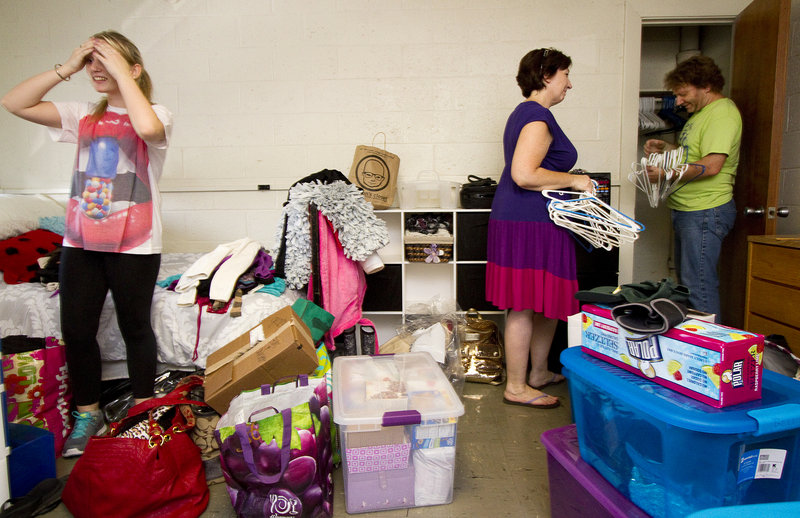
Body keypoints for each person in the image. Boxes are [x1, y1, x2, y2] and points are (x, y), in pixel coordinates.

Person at [1, 31, 173, 457]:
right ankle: (87, 413)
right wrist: (68, 66)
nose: (96, 68)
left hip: (135, 243)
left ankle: (142, 410)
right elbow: (14, 102)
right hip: (80, 242)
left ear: (132, 69)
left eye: (107, 61)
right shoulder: (81, 114)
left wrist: (120, 71)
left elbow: (148, 128)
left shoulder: (156, 112)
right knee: (77, 330)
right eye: (92, 62)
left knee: (136, 328)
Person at [486, 48, 593, 409]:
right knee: (524, 304)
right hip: (528, 221)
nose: (569, 83)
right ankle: (516, 386)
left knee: (546, 302)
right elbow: (524, 174)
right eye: (565, 74)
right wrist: (575, 180)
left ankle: (538, 373)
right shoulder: (536, 117)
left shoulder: (532, 115)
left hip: (536, 218)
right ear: (547, 75)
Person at [643, 55, 741, 322]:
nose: (679, 102)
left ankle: (712, 357)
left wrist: (666, 173)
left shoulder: (722, 113)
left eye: (683, 93)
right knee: (688, 285)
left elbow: (711, 165)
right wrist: (667, 150)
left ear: (706, 85)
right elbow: (695, 156)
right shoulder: (700, 116)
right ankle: (696, 350)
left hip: (705, 210)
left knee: (699, 286)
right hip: (689, 210)